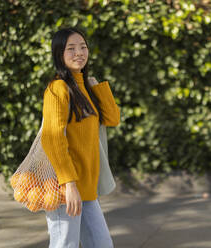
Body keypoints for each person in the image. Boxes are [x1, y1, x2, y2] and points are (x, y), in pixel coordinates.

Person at [40, 27, 120, 248]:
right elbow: (53, 138)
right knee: (64, 244)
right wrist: (69, 184)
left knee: (102, 244)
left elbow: (112, 118)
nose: (79, 53)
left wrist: (96, 87)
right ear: (59, 54)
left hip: (86, 187)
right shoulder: (57, 89)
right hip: (65, 187)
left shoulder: (84, 87)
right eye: (71, 48)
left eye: (83, 47)